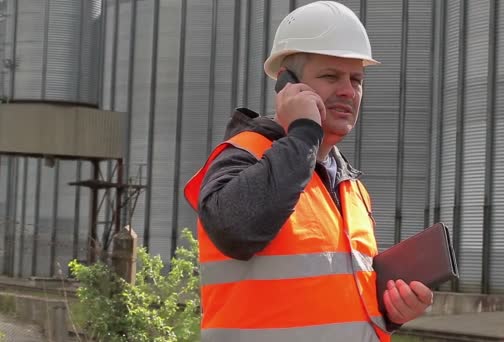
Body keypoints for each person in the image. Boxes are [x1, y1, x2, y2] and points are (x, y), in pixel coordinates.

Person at [184, 2, 433, 341]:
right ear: (287, 84)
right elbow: (235, 230)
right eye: (331, 76)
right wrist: (303, 132)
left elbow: (330, 298)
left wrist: (390, 311)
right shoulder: (244, 155)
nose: (349, 90)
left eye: (356, 79)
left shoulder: (351, 187)